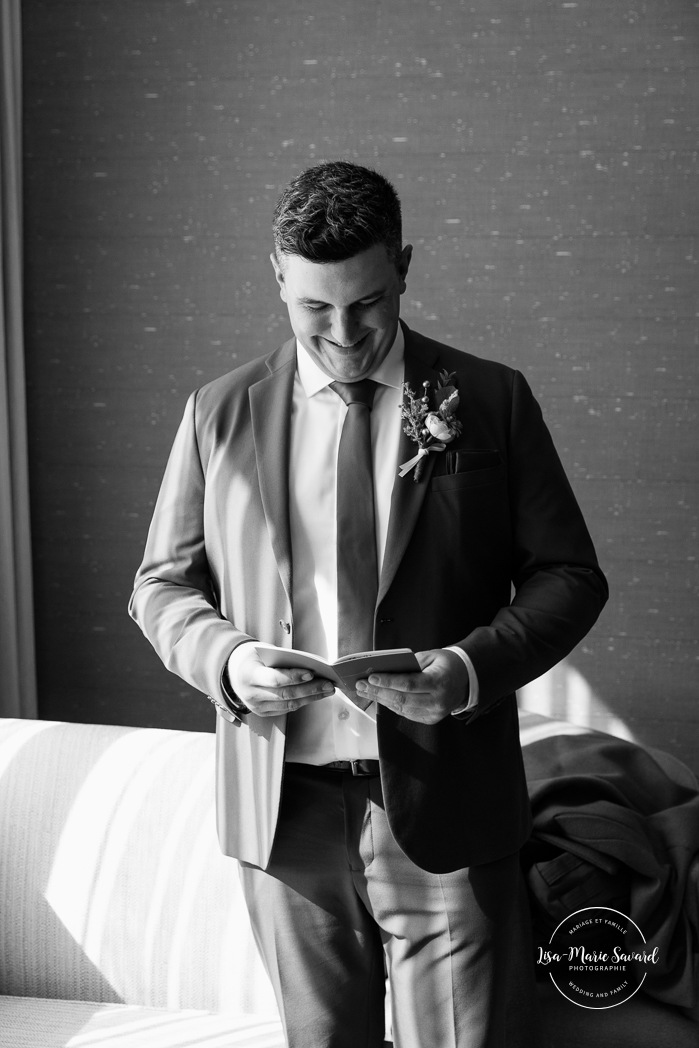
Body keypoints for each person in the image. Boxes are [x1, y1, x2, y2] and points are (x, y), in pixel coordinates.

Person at [129, 160, 608, 1048]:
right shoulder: (217, 412)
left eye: (367, 302)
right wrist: (229, 664)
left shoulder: (490, 400)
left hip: (446, 801)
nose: (344, 332)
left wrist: (465, 670)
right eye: (314, 307)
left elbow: (569, 577)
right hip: (284, 813)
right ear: (277, 277)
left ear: (405, 266)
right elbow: (161, 585)